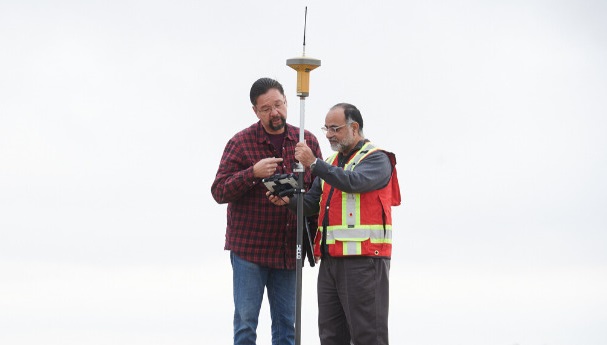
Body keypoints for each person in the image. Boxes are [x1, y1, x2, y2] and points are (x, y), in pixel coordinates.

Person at [267, 103, 401, 345]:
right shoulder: (331, 162)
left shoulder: (378, 159)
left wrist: (315, 164)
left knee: (368, 335)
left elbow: (354, 182)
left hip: (365, 261)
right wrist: (287, 199)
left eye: (335, 129)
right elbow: (311, 204)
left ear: (355, 127)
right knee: (331, 335)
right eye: (326, 128)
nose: (328, 134)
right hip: (330, 262)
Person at [211, 77, 322, 345]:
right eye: (266, 109)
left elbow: (320, 193)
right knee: (246, 324)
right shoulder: (240, 143)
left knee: (287, 326)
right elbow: (219, 191)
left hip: (288, 250)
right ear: (255, 111)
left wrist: (315, 242)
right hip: (250, 250)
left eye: (278, 105)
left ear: (286, 101)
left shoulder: (305, 141)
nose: (274, 113)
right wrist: (253, 173)